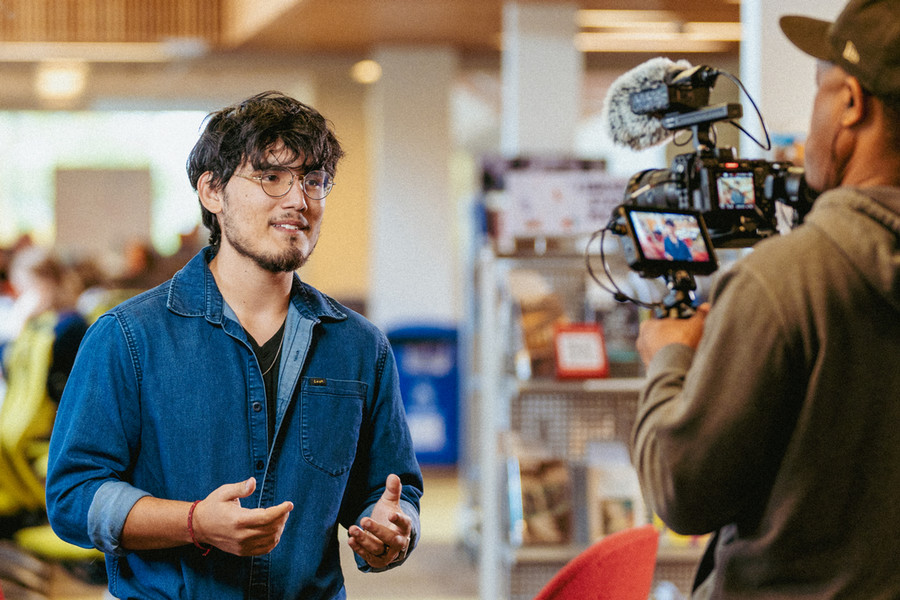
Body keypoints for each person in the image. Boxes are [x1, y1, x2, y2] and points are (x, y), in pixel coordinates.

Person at [46, 91, 423, 600]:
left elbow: (391, 490)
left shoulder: (359, 346)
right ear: (213, 192)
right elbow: (74, 497)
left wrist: (392, 532)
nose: (299, 200)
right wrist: (194, 522)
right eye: (271, 176)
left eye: (313, 180)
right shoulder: (128, 336)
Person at [630, 0, 900, 598]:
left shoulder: (782, 283)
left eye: (819, 89)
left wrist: (669, 357)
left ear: (851, 103)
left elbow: (682, 493)